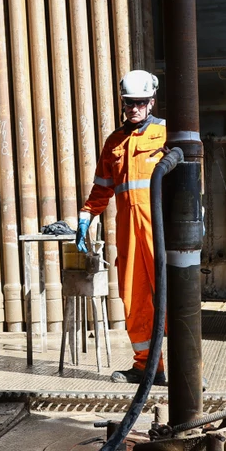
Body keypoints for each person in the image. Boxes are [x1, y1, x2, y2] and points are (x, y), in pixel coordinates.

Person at [77, 70, 167, 385]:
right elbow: (102, 187)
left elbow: (188, 177)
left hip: (160, 230)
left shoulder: (166, 135)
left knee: (173, 297)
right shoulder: (114, 142)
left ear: (152, 102)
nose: (134, 109)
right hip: (128, 232)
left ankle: (186, 367)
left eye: (141, 103)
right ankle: (147, 367)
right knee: (134, 297)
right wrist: (87, 214)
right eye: (129, 103)